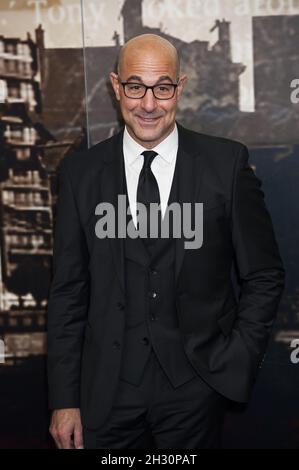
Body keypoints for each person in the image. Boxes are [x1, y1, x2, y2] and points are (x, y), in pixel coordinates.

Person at [47, 34, 285, 449]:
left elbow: (264, 274)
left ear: (181, 86)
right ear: (116, 86)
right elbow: (68, 292)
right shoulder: (80, 174)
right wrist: (64, 400)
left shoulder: (225, 164)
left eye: (163, 88)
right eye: (136, 87)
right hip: (106, 392)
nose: (149, 104)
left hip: (196, 389)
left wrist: (237, 358)